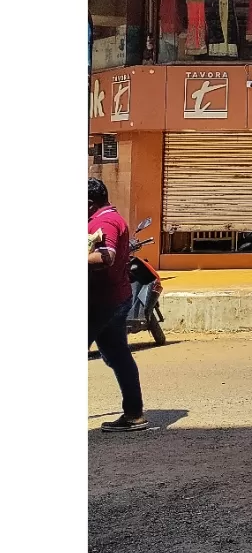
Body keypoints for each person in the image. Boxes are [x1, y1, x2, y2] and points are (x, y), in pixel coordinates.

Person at [88, 178, 147, 431]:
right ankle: (134, 414)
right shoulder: (110, 216)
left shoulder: (105, 222)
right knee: (119, 357)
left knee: (118, 357)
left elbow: (107, 256)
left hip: (99, 303)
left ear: (89, 203)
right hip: (115, 299)